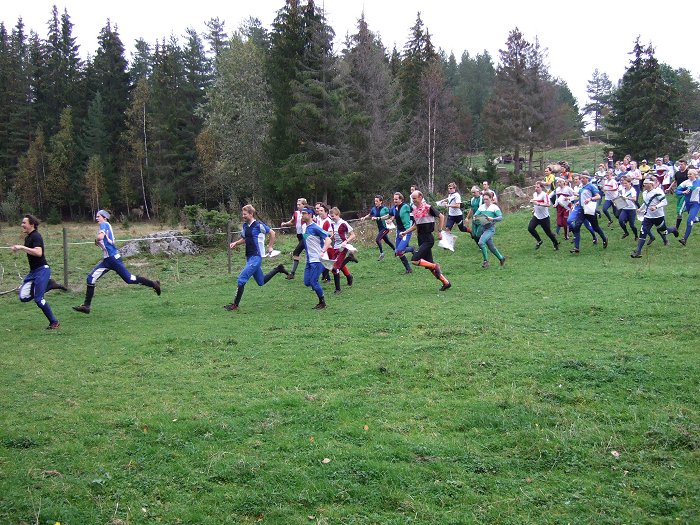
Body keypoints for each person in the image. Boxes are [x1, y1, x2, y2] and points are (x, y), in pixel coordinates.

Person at [73, 210, 160, 314]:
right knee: (90, 278)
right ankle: (86, 306)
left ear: (104, 217)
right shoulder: (107, 226)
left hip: (113, 260)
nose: (96, 218)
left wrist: (96, 240)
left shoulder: (104, 224)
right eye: (96, 216)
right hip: (107, 260)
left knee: (130, 279)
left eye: (98, 216)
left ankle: (154, 284)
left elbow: (100, 237)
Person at [224, 205, 289, 311]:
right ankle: (278, 269)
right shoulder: (245, 226)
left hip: (256, 257)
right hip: (249, 257)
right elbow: (245, 239)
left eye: (245, 214)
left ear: (251, 214)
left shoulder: (258, 225)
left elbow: (272, 233)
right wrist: (236, 243)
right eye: (242, 214)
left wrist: (270, 246)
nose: (243, 216)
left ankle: (235, 305)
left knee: (241, 280)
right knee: (261, 281)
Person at [11, 214, 65, 329]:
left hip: (42, 270)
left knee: (39, 299)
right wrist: (19, 248)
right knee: (23, 297)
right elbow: (31, 251)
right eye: (22, 223)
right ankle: (50, 285)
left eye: (24, 223)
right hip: (33, 272)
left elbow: (38, 253)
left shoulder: (36, 236)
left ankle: (54, 322)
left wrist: (22, 247)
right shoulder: (28, 238)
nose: (22, 225)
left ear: (32, 224)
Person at [399, 191, 451, 290]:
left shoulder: (428, 207)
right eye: (412, 198)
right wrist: (405, 232)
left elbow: (441, 216)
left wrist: (440, 231)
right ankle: (446, 283)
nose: (413, 200)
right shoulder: (414, 210)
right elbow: (415, 225)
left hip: (428, 239)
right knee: (429, 265)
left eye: (415, 198)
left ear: (420, 197)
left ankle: (435, 266)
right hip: (420, 238)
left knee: (414, 260)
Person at [631, 178, 679, 258]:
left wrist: (656, 207)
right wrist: (641, 209)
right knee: (643, 232)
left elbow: (664, 202)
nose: (644, 185)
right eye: (644, 183)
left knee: (663, 232)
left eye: (646, 183)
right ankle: (638, 252)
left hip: (658, 216)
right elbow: (646, 202)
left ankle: (673, 229)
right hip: (648, 216)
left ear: (651, 184)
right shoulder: (644, 193)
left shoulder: (657, 192)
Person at [300, 207, 332, 309]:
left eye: (304, 213)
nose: (302, 215)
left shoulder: (315, 227)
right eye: (301, 213)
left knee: (313, 282)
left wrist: (323, 251)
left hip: (317, 260)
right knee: (307, 282)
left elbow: (328, 239)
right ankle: (318, 289)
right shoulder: (304, 227)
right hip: (309, 260)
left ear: (310, 215)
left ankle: (322, 302)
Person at [569, 171, 607, 254]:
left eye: (583, 178)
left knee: (595, 227)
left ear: (587, 178)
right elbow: (582, 196)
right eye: (581, 178)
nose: (582, 179)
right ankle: (576, 247)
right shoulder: (582, 187)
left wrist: (590, 199)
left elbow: (598, 196)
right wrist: (579, 202)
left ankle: (604, 239)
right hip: (582, 209)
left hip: (589, 209)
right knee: (577, 226)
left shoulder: (591, 186)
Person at [383, 192, 414, 274]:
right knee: (397, 252)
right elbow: (388, 215)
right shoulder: (393, 208)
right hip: (399, 231)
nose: (395, 201)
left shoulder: (406, 206)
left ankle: (412, 249)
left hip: (406, 231)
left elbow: (414, 210)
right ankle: (408, 269)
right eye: (394, 199)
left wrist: (414, 221)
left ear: (401, 199)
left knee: (400, 250)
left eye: (396, 199)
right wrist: (379, 218)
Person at [473, 193, 506, 268]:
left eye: (487, 199)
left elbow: (500, 217)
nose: (485, 201)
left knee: (481, 242)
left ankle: (486, 262)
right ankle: (501, 258)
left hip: (490, 229)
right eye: (484, 199)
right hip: (483, 228)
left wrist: (493, 219)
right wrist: (475, 218)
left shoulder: (494, 207)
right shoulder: (482, 207)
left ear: (491, 199)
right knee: (491, 247)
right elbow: (475, 215)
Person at [328, 206, 356, 294]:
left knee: (335, 268)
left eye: (333, 216)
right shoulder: (333, 224)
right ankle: (349, 260)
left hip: (343, 247)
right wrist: (329, 239)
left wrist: (346, 241)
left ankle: (338, 289)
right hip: (336, 247)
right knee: (332, 266)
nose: (332, 218)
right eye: (331, 216)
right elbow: (335, 234)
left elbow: (353, 235)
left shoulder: (344, 223)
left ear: (338, 214)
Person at [360, 195, 395, 260]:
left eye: (377, 201)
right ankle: (395, 250)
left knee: (377, 239)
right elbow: (369, 215)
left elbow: (392, 214)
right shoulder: (374, 209)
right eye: (375, 201)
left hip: (385, 227)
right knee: (387, 241)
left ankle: (382, 253)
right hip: (380, 228)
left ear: (381, 201)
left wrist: (391, 220)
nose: (375, 202)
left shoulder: (385, 208)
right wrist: (364, 218)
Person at [280, 197, 308, 280]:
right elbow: (292, 221)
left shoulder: (307, 213)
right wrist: (285, 224)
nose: (298, 206)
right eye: (297, 205)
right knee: (309, 253)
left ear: (304, 205)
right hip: (299, 235)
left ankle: (292, 273)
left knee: (296, 252)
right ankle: (325, 274)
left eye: (299, 204)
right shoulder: (296, 213)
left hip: (306, 236)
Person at [527, 181, 559, 250]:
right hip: (536, 216)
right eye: (535, 187)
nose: (536, 188)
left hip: (544, 217)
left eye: (538, 187)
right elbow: (535, 203)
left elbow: (548, 204)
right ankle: (539, 240)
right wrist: (534, 209)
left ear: (541, 187)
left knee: (548, 233)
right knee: (530, 228)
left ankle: (555, 243)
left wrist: (538, 204)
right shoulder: (534, 194)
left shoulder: (544, 195)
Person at [675, 169, 700, 246]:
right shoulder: (685, 182)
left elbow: (694, 187)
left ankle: (684, 239)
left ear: (695, 175)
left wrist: (691, 189)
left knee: (689, 221)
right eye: (688, 174)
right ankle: (697, 219)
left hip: (695, 204)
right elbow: (677, 190)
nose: (689, 175)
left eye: (690, 174)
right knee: (693, 219)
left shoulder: (698, 182)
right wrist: (683, 192)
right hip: (687, 204)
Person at [315, 202, 334, 282]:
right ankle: (326, 278)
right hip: (321, 243)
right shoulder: (318, 219)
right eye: (319, 210)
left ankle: (348, 276)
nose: (319, 212)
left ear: (326, 212)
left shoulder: (328, 221)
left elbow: (331, 234)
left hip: (328, 243)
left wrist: (322, 233)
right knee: (323, 260)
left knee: (332, 262)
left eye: (321, 211)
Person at [669, 159, 689, 231]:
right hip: (679, 193)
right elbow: (675, 181)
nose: (680, 166)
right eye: (679, 164)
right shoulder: (677, 173)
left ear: (685, 165)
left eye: (682, 164)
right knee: (680, 209)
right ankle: (688, 209)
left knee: (679, 210)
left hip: (686, 194)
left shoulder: (688, 173)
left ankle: (676, 227)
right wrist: (669, 188)